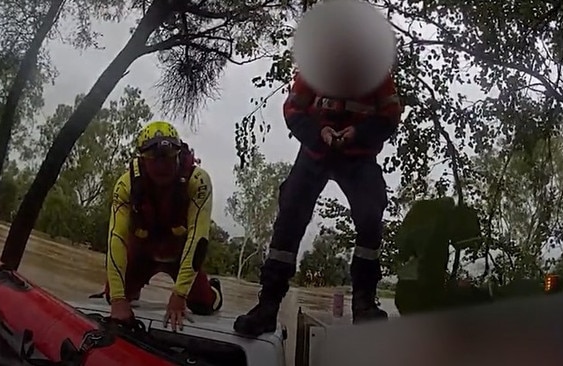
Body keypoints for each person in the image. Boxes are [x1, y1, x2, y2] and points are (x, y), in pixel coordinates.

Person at [233, 71, 403, 336]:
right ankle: (267, 306)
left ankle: (364, 305)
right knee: (290, 216)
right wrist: (318, 133)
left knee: (371, 215)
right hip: (315, 152)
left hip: (359, 156)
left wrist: (356, 134)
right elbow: (292, 109)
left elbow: (390, 117)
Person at [100, 120, 223, 331]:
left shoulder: (198, 181)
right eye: (153, 158)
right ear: (142, 159)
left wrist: (179, 294)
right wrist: (119, 299)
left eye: (168, 157)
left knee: (205, 305)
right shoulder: (125, 184)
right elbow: (116, 238)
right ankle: (132, 289)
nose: (161, 165)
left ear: (178, 154)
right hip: (143, 253)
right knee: (112, 295)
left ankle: (215, 290)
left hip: (179, 254)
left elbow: (198, 238)